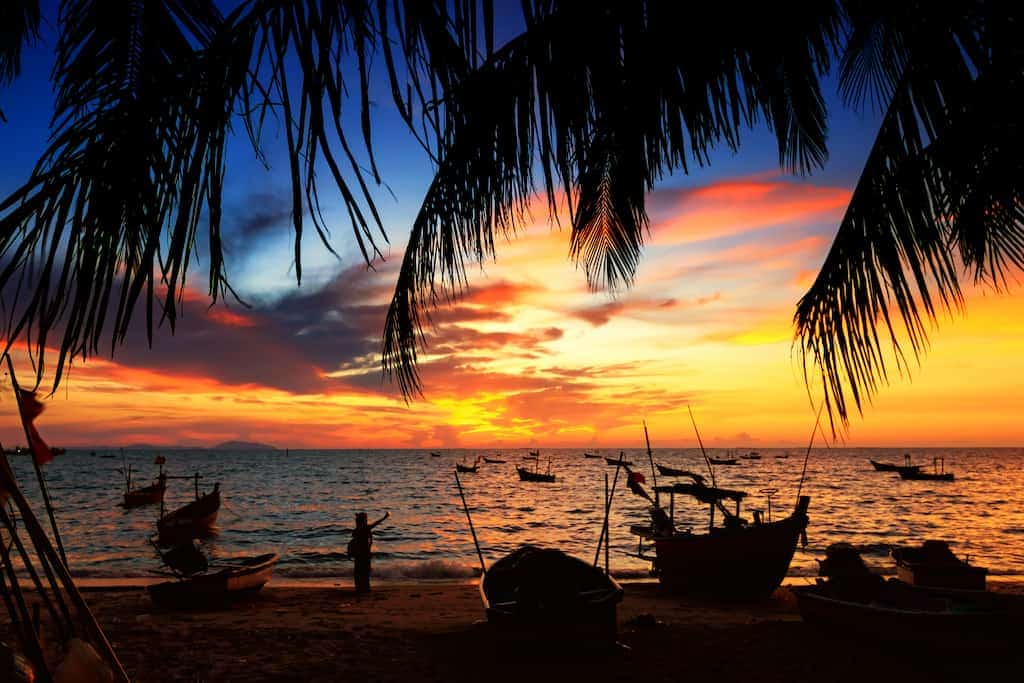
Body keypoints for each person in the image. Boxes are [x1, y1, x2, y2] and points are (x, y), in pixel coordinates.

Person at [347, 510, 389, 594]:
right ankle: (365, 589)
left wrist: (350, 552)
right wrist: (384, 517)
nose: (367, 520)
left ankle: (360, 589)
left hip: (359, 554)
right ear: (364, 520)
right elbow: (375, 524)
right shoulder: (364, 528)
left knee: (359, 572)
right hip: (363, 554)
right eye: (366, 519)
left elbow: (352, 542)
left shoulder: (357, 530)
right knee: (364, 572)